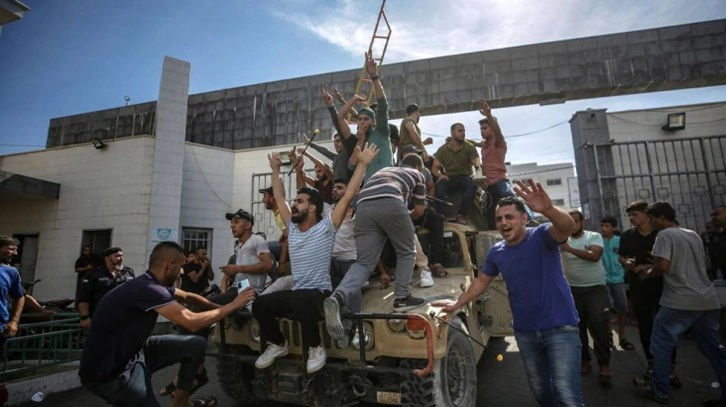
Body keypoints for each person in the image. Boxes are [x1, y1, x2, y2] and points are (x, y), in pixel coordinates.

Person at [432, 180, 583, 407]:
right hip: (526, 332)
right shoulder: (497, 252)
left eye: (509, 217)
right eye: (499, 218)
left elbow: (567, 227)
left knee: (567, 395)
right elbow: (481, 281)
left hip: (560, 328)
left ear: (524, 218)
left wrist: (549, 210)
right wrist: (456, 304)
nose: (503, 222)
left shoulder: (541, 236)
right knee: (541, 391)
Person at [79, 241, 255, 407]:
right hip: (112, 374)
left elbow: (189, 297)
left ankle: (180, 402)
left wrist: (221, 308)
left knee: (195, 345)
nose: (182, 272)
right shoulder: (150, 289)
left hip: (135, 352)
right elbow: (192, 322)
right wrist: (234, 305)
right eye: (181, 267)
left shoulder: (152, 282)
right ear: (170, 265)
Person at [252, 143, 379, 374]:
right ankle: (278, 343)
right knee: (259, 304)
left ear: (312, 209)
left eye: (299, 201)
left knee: (302, 298)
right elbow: (279, 196)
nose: (293, 204)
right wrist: (276, 170)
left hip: (319, 295)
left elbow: (348, 195)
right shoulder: (292, 228)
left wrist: (362, 164)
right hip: (298, 294)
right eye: (295, 201)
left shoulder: (326, 228)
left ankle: (316, 348)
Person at [324, 153, 428, 349]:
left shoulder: (384, 171)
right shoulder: (417, 174)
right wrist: (401, 220)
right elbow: (419, 212)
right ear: (418, 167)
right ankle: (402, 298)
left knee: (364, 262)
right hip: (391, 202)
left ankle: (338, 297)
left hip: (363, 207)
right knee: (407, 251)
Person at [633, 202, 726, 406]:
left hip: (680, 300)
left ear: (662, 218)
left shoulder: (664, 235)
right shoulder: (692, 234)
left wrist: (648, 272)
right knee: (713, 348)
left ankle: (660, 389)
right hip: (707, 299)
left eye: (652, 219)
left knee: (660, 343)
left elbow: (664, 266)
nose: (650, 222)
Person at [618, 201, 679, 384]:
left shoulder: (662, 234)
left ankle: (670, 368)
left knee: (666, 327)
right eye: (629, 215)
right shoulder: (627, 236)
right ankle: (652, 364)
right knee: (645, 326)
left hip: (662, 286)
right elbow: (622, 256)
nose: (631, 218)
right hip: (639, 286)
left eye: (635, 214)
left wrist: (650, 267)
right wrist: (626, 263)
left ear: (646, 215)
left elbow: (669, 261)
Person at [561, 211, 612, 383]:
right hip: (572, 290)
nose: (573, 225)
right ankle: (584, 360)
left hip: (595, 289)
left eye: (576, 221)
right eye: (570, 222)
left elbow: (595, 256)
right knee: (577, 328)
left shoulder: (593, 236)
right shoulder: (562, 240)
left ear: (582, 222)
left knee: (599, 326)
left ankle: (604, 363)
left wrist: (569, 249)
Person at [477, 100, 534, 228]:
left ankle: (529, 219)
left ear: (492, 127)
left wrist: (489, 115)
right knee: (490, 212)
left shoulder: (498, 141)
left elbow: (498, 131)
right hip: (489, 185)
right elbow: (474, 143)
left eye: (485, 128)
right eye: (481, 129)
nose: (482, 131)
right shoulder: (484, 144)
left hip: (500, 181)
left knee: (511, 198)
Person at [348, 51, 393, 181]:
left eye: (366, 119)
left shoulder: (381, 131)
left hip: (386, 181)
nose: (362, 122)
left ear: (373, 122)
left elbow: (382, 104)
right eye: (360, 119)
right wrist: (361, 140)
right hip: (369, 186)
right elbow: (351, 165)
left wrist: (373, 76)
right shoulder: (359, 140)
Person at [432, 123, 480, 224]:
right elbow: (435, 167)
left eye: (464, 131)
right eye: (460, 131)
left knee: (471, 183)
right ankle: (441, 216)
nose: (463, 133)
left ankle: (460, 214)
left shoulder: (469, 147)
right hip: (450, 177)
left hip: (465, 176)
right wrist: (440, 175)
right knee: (440, 185)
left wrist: (477, 166)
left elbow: (476, 162)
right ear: (452, 133)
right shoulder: (442, 150)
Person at [219, 209, 274, 296]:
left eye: (236, 222)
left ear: (248, 225)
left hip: (250, 292)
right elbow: (226, 278)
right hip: (237, 290)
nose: (232, 226)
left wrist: (237, 269)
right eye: (232, 223)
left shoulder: (257, 240)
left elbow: (268, 265)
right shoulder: (239, 246)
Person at [600, 215, 635, 351]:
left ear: (613, 227)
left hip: (618, 278)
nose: (604, 228)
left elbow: (625, 257)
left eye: (607, 226)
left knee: (622, 308)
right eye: (602, 226)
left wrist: (625, 264)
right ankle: (609, 335)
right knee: (606, 308)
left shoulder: (620, 241)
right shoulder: (598, 241)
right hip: (603, 279)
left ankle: (622, 337)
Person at [77, 247, 135, 329]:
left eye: (122, 256)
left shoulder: (128, 273)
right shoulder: (93, 274)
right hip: (101, 318)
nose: (121, 258)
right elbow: (83, 297)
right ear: (107, 258)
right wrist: (85, 317)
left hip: (123, 318)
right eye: (117, 256)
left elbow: (134, 294)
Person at [0, 236, 25, 348]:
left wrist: (14, 321)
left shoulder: (11, 272)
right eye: (11, 249)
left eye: (16, 250)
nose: (15, 253)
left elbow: (20, 296)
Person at [260, 186, 289, 276]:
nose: (263, 200)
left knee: (263, 246)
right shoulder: (278, 213)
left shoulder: (282, 213)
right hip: (290, 245)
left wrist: (282, 263)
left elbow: (287, 241)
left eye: (265, 196)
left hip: (294, 248)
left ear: (273, 198)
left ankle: (273, 278)